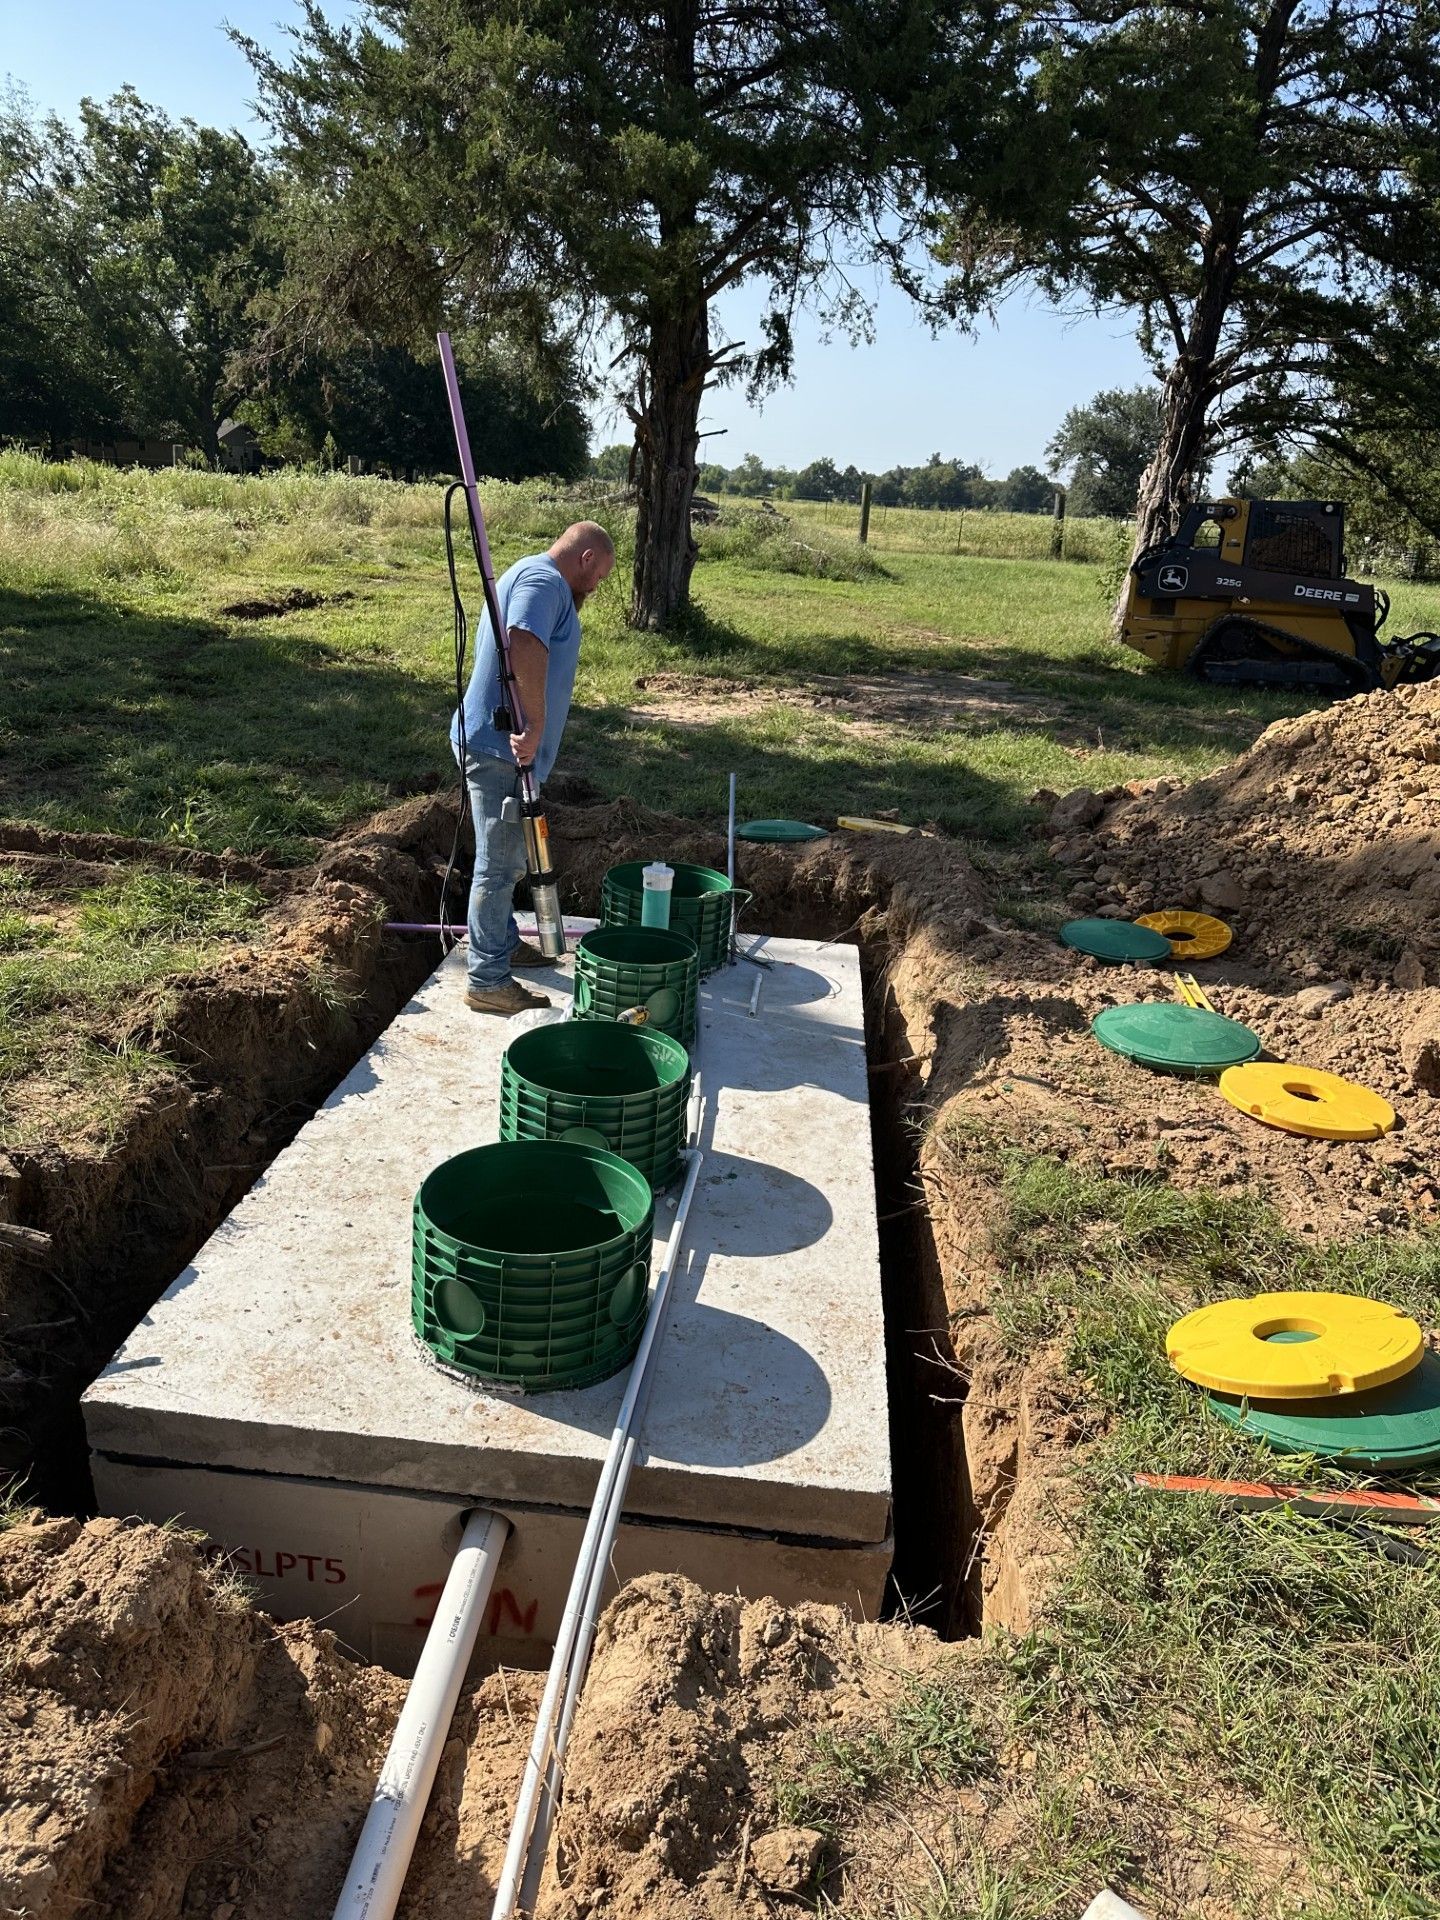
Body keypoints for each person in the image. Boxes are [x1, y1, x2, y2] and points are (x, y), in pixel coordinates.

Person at [452, 521, 616, 1014]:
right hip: (503, 747)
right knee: (499, 866)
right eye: (600, 575)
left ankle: (501, 945)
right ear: (586, 557)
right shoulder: (545, 582)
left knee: (504, 857)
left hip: (495, 742)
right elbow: (522, 639)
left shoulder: (530, 573)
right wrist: (536, 724)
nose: (596, 586)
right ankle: (487, 981)